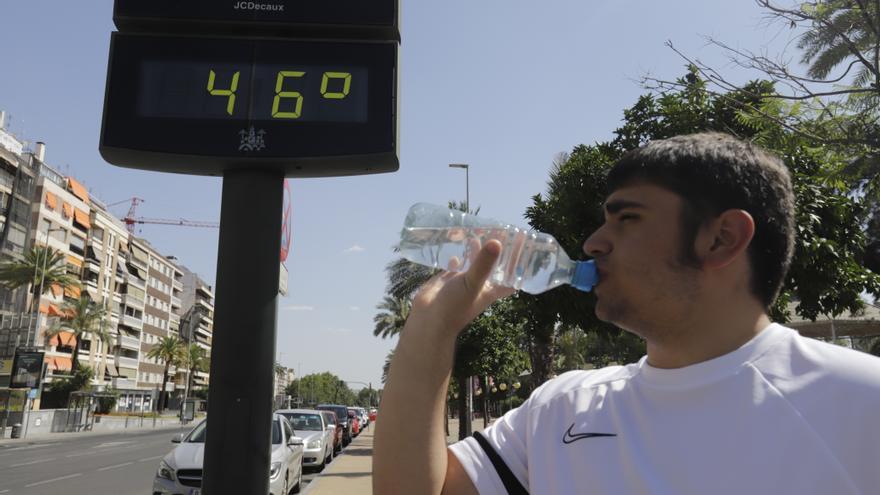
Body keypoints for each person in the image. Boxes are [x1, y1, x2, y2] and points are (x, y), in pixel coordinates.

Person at [373, 132, 880, 494]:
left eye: (628, 218)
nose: (593, 242)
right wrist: (431, 326)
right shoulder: (562, 408)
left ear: (722, 238)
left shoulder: (861, 403)